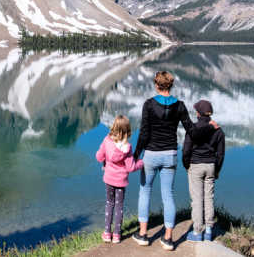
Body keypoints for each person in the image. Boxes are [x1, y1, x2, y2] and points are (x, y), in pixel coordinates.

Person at [132, 71, 217, 251]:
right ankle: (169, 239)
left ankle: (143, 234)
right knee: (168, 194)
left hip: (151, 154)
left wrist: (135, 154)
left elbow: (144, 133)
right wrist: (209, 128)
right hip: (170, 154)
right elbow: (192, 132)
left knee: (145, 191)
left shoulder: (148, 105)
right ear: (171, 86)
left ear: (156, 85)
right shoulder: (180, 106)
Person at [96, 114, 143, 244]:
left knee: (109, 203)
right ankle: (116, 234)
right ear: (127, 130)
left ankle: (107, 233)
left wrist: (105, 159)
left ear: (114, 127)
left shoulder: (107, 141)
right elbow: (131, 167)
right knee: (119, 206)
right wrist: (141, 163)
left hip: (109, 179)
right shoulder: (127, 148)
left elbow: (99, 157)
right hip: (121, 181)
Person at [183, 100, 225, 242]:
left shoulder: (193, 129)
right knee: (208, 198)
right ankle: (208, 231)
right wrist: (217, 170)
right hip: (211, 167)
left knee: (197, 200)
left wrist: (186, 165)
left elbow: (186, 150)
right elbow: (220, 154)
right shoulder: (218, 130)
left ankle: (197, 232)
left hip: (195, 166)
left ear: (198, 113)